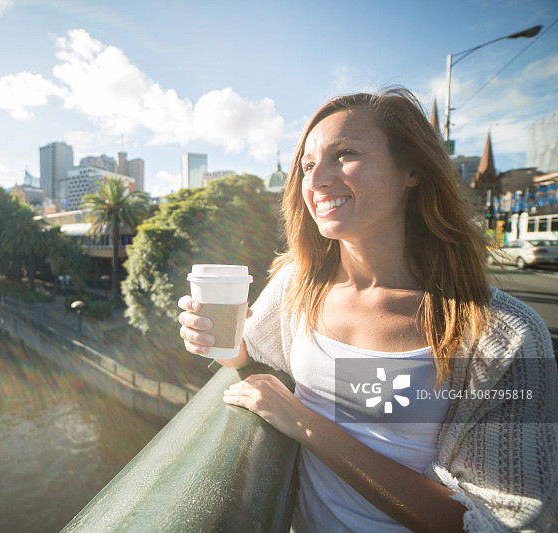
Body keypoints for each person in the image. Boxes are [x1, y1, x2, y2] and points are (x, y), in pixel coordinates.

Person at [178, 87, 558, 532]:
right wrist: (216, 340)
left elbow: (511, 523)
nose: (317, 179)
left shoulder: (505, 333)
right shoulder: (298, 285)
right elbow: (253, 357)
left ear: (412, 170)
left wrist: (305, 422)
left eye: (345, 154)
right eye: (307, 164)